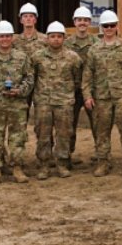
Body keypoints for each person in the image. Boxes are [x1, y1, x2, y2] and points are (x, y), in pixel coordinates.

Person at [83, 10, 122, 177]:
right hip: (101, 97)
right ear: (101, 27)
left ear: (117, 26)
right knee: (101, 131)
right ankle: (103, 161)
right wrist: (87, 95)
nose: (109, 28)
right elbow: (88, 74)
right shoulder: (94, 49)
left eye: (112, 25)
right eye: (106, 26)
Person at [0, 20, 35, 184]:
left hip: (17, 104)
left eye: (7, 36)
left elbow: (30, 78)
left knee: (17, 137)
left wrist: (20, 91)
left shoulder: (22, 57)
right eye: (1, 36)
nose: (5, 39)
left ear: (12, 38)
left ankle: (17, 168)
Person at [33, 21, 83, 179]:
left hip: (64, 103)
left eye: (59, 36)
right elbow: (32, 78)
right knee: (43, 134)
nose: (55, 39)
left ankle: (62, 163)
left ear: (64, 38)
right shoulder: (37, 57)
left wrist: (66, 94)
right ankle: (44, 165)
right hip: (43, 102)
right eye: (52, 36)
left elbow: (77, 80)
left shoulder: (73, 58)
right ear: (47, 38)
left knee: (64, 133)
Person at [65, 6, 96, 161]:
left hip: (92, 90)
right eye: (79, 20)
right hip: (73, 90)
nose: (82, 23)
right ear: (74, 22)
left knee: (98, 123)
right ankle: (68, 155)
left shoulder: (96, 43)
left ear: (89, 22)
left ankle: (101, 154)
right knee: (70, 123)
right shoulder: (67, 43)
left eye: (85, 20)